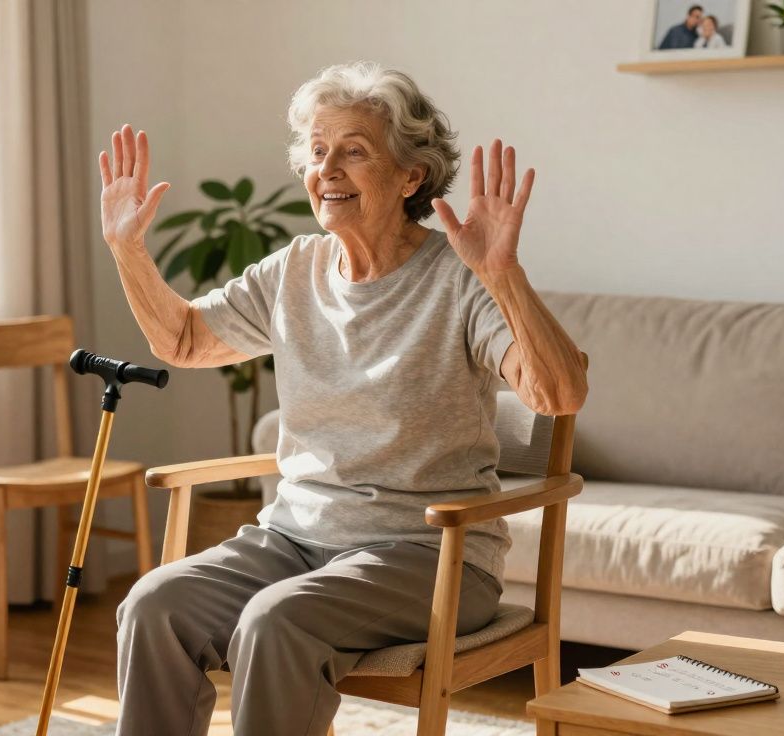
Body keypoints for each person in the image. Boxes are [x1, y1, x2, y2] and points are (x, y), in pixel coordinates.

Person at [100, 61, 588, 736]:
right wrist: (126, 248)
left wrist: (503, 274)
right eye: (317, 151)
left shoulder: (460, 279)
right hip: (293, 540)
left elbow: (559, 393)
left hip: (429, 556)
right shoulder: (293, 270)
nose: (326, 169)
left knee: (276, 622)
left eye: (353, 152)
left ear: (411, 176)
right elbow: (184, 340)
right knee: (154, 606)